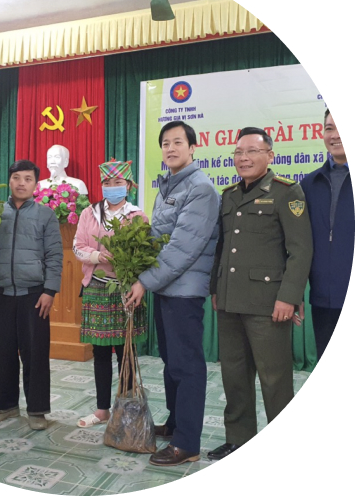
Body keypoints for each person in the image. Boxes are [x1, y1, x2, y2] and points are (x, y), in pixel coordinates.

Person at [208, 127, 313, 461]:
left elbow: (301, 250)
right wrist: (215, 289)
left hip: (269, 304)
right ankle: (239, 440)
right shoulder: (229, 195)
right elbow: (222, 247)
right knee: (234, 376)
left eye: (252, 151)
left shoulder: (286, 192)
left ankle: (283, 448)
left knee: (275, 379)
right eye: (238, 152)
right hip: (230, 301)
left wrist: (289, 297)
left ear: (270, 155)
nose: (244, 158)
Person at [126, 121, 220, 467]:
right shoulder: (168, 186)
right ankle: (177, 422)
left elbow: (182, 248)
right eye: (165, 143)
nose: (170, 148)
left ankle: (187, 443)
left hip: (185, 291)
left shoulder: (200, 189)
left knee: (187, 365)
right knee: (172, 362)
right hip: (166, 287)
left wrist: (143, 282)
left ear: (193, 148)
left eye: (178, 142)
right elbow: (158, 240)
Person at [0, 160, 63, 430]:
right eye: (16, 177)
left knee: (35, 354)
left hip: (34, 296)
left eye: (27, 179)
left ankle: (37, 410)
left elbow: (54, 256)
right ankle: (3, 406)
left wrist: (50, 290)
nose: (21, 183)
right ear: (9, 180)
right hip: (2, 292)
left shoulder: (45, 215)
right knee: (2, 353)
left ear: (35, 184)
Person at [73, 159, 148, 428]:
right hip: (96, 285)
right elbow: (77, 246)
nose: (112, 187)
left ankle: (125, 408)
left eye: (118, 182)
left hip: (126, 287)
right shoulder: (89, 213)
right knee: (101, 351)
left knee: (126, 351)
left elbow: (144, 254)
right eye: (107, 183)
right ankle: (102, 409)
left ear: (128, 186)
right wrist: (96, 256)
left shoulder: (137, 216)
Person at [301, 109, 353, 360]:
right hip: (323, 299)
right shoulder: (309, 184)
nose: (335, 135)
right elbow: (299, 244)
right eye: (329, 128)